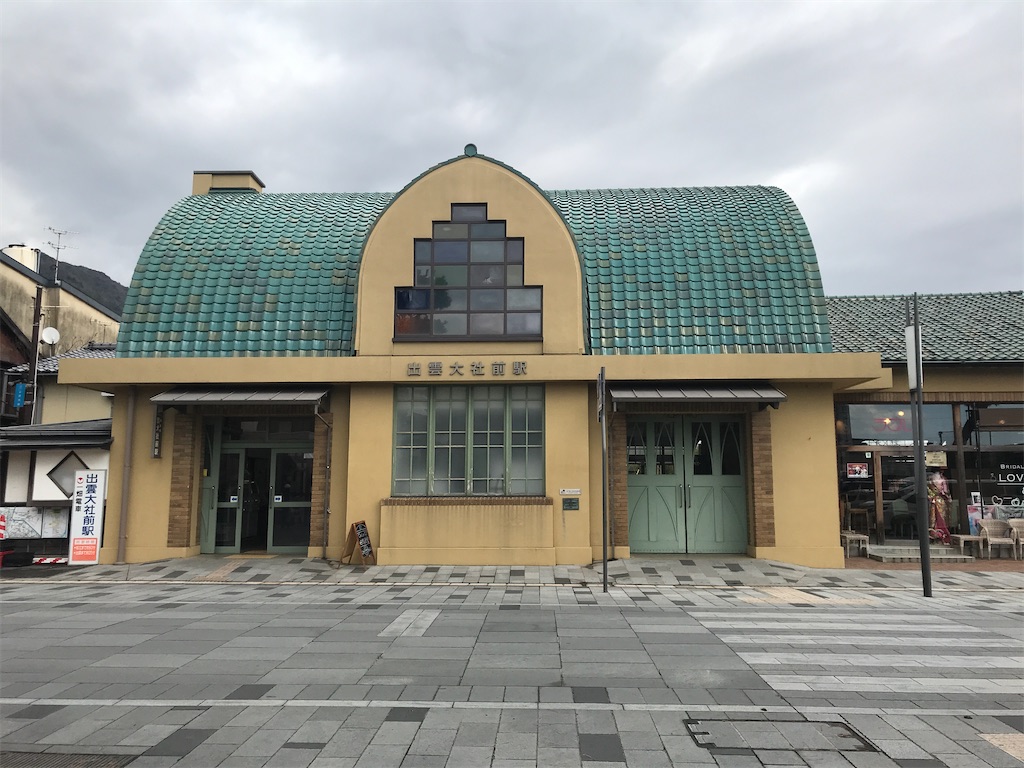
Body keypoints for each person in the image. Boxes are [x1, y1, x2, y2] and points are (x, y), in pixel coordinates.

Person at [927, 471, 952, 544]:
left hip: (940, 502)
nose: (941, 487)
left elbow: (946, 492)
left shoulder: (942, 479)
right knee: (934, 519)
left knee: (941, 519)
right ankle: (936, 535)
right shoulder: (931, 482)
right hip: (935, 503)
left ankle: (941, 536)